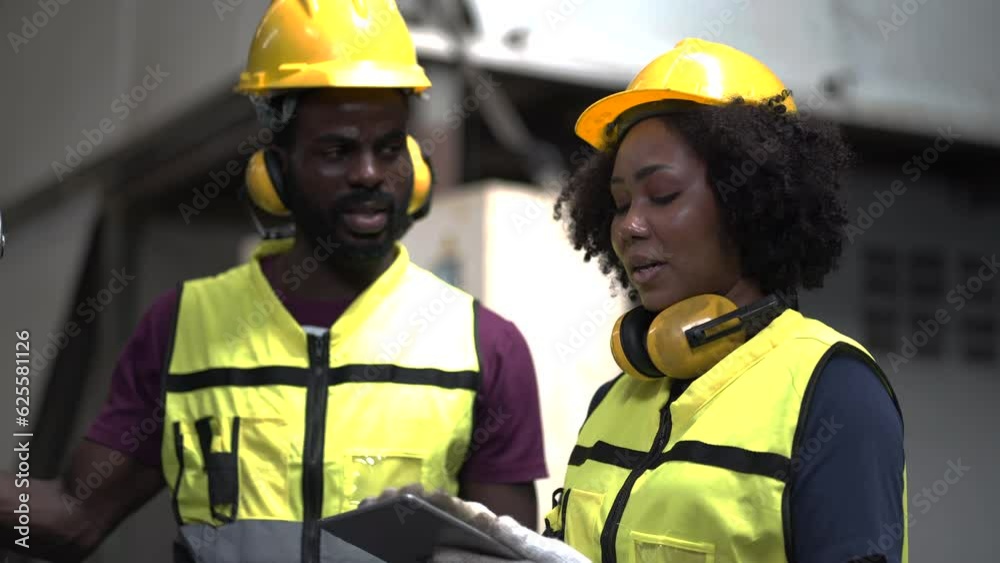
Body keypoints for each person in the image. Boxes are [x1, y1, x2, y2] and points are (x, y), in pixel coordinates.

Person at [0, 2, 547, 562]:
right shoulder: (182, 330)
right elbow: (73, 518)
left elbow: (507, 558)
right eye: (336, 150)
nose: (368, 173)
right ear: (276, 171)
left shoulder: (485, 348)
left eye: (388, 148)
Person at [393, 37, 907, 563]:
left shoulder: (835, 391)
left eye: (662, 195)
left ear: (749, 201)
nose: (630, 226)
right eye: (620, 203)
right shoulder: (614, 400)